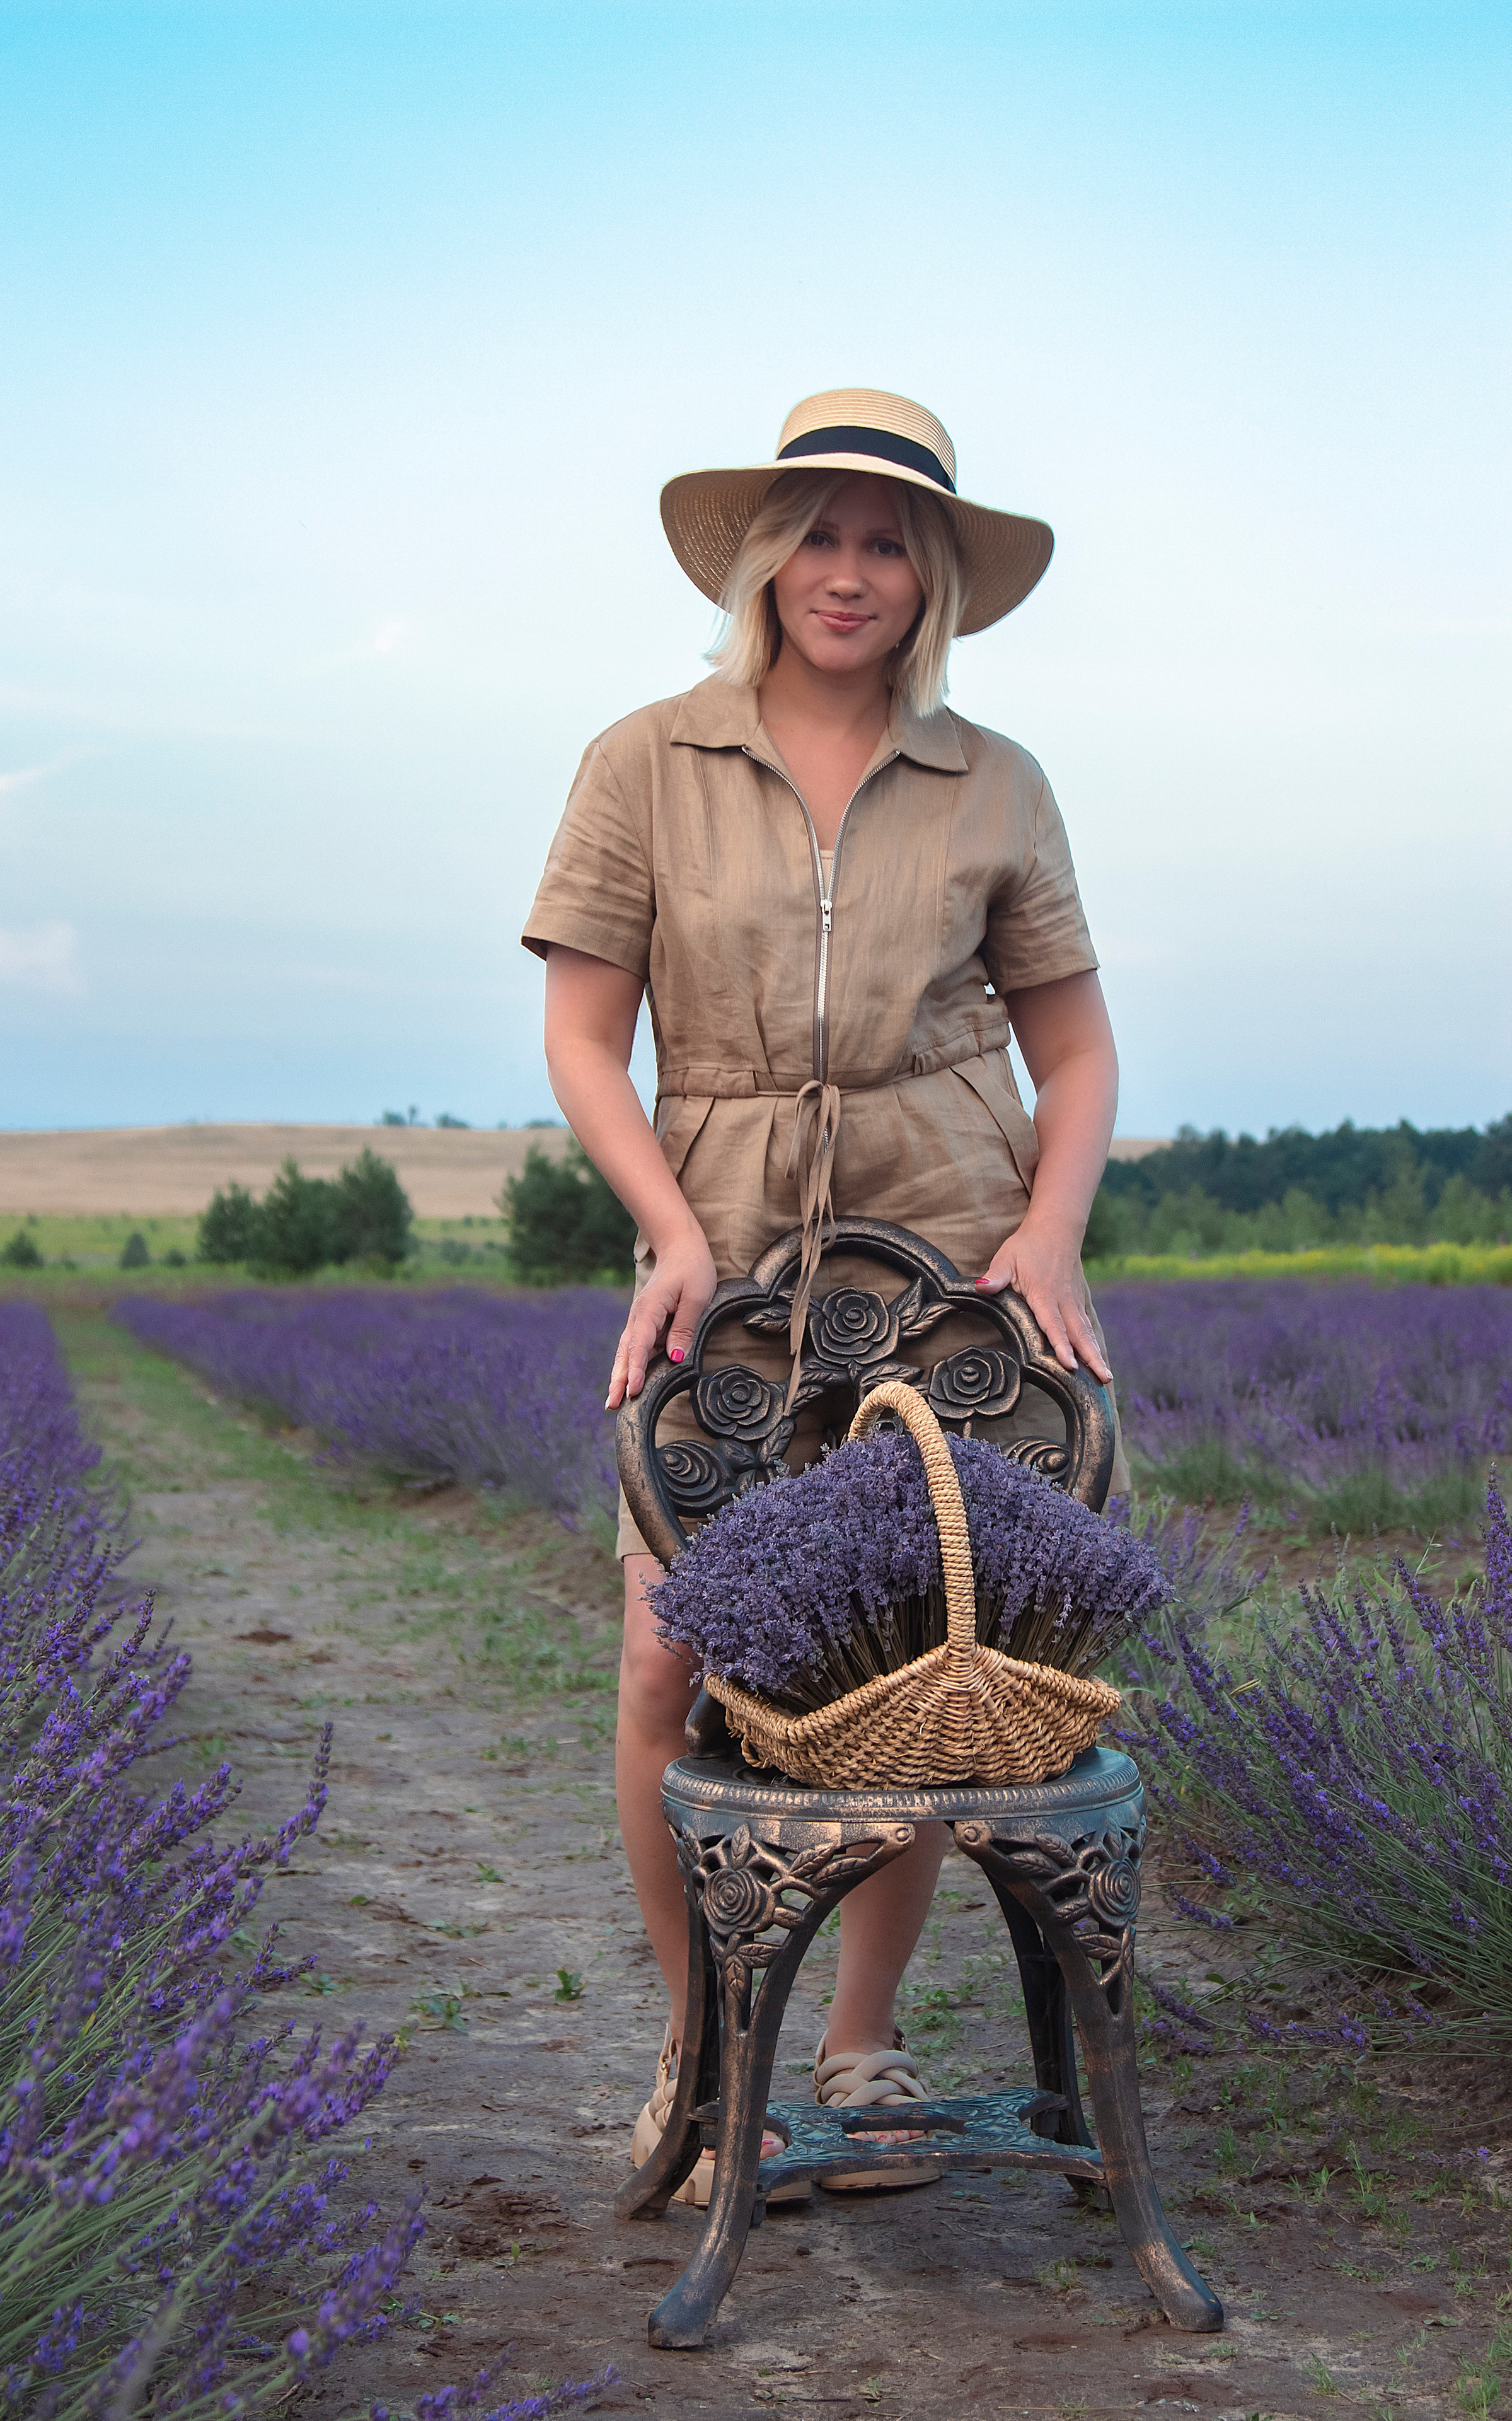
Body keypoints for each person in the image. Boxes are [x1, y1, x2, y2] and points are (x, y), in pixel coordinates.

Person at [522, 388, 1124, 2203]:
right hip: (726, 1271)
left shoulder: (996, 779)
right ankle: (712, 2062)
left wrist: (1057, 1231)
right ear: (765, 558)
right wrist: (671, 1231)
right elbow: (578, 1036)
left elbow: (1079, 1051)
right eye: (822, 536)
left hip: (951, 1270)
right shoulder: (646, 760)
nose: (849, 574)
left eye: (888, 543)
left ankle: (856, 2049)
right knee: (668, 1655)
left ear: (929, 576)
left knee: (920, 1661)